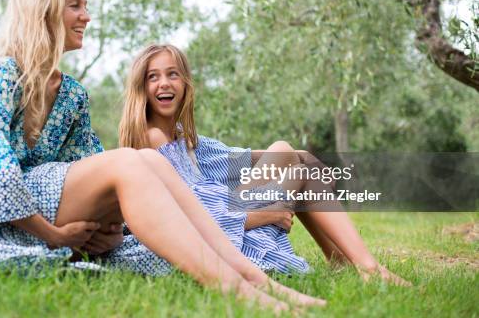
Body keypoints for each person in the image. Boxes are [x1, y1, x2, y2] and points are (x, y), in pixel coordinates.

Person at [0, 0, 324, 313]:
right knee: (130, 161)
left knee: (147, 164)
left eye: (85, 5)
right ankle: (239, 289)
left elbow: (100, 180)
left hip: (45, 197)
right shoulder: (2, 76)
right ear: (44, 12)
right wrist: (55, 236)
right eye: (74, 6)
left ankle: (254, 279)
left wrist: (109, 234)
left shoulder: (73, 94)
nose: (86, 16)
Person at [118, 43, 410, 286]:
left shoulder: (183, 138)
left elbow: (238, 159)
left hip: (229, 219)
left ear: (185, 84)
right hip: (218, 233)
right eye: (153, 77)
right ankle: (367, 269)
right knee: (294, 164)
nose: (164, 83)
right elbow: (189, 210)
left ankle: (346, 263)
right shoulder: (153, 137)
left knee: (292, 157)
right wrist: (262, 215)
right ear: (142, 87)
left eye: (173, 74)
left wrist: (303, 156)